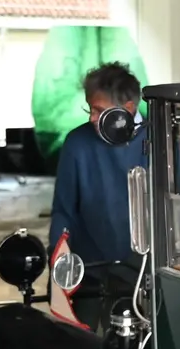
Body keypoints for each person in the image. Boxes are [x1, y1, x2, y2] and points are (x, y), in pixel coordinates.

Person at [47, 62, 151, 264]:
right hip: (92, 270)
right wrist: (59, 259)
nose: (92, 118)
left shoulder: (162, 139)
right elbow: (63, 210)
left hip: (150, 269)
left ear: (128, 108)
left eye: (98, 110)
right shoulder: (77, 143)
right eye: (89, 109)